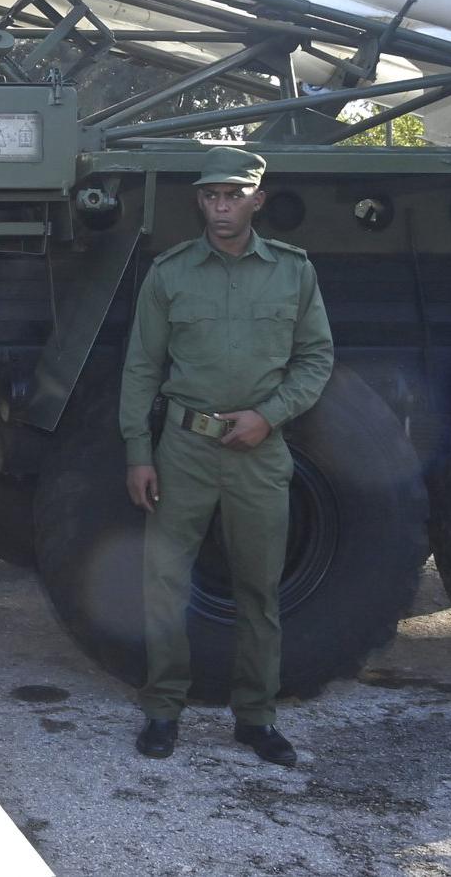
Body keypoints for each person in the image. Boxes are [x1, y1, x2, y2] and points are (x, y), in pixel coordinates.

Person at [120, 146, 333, 767]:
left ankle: (257, 718)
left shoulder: (293, 272)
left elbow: (315, 358)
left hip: (259, 454)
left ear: (257, 200)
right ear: (200, 201)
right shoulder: (172, 272)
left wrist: (269, 415)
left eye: (235, 195)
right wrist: (139, 450)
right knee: (164, 583)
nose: (222, 206)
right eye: (212, 195)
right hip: (183, 448)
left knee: (258, 590)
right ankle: (163, 709)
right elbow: (141, 366)